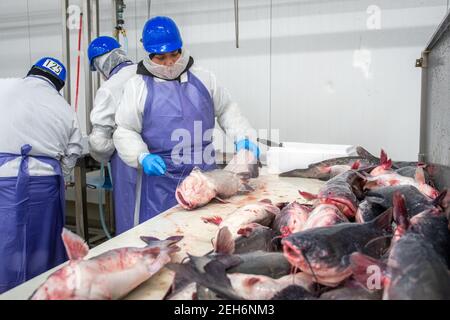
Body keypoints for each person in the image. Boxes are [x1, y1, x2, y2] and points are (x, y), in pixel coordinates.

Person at [113, 16, 260, 227]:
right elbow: (126, 130)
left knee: (204, 233)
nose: (170, 62)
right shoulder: (137, 86)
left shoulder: (204, 78)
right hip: (161, 181)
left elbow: (227, 110)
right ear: (149, 54)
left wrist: (244, 138)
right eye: (161, 58)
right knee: (162, 240)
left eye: (174, 54)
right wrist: (141, 156)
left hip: (206, 178)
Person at [0, 57, 83, 293]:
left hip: (2, 180)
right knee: (41, 246)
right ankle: (42, 292)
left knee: (4, 245)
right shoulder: (64, 108)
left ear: (31, 73)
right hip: (44, 183)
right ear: (58, 85)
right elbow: (73, 152)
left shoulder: (4, 86)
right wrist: (63, 174)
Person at [87, 36, 138, 235]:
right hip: (162, 159)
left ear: (100, 64)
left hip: (128, 164)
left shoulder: (110, 87)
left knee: (131, 219)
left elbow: (99, 143)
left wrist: (108, 152)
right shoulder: (147, 72)